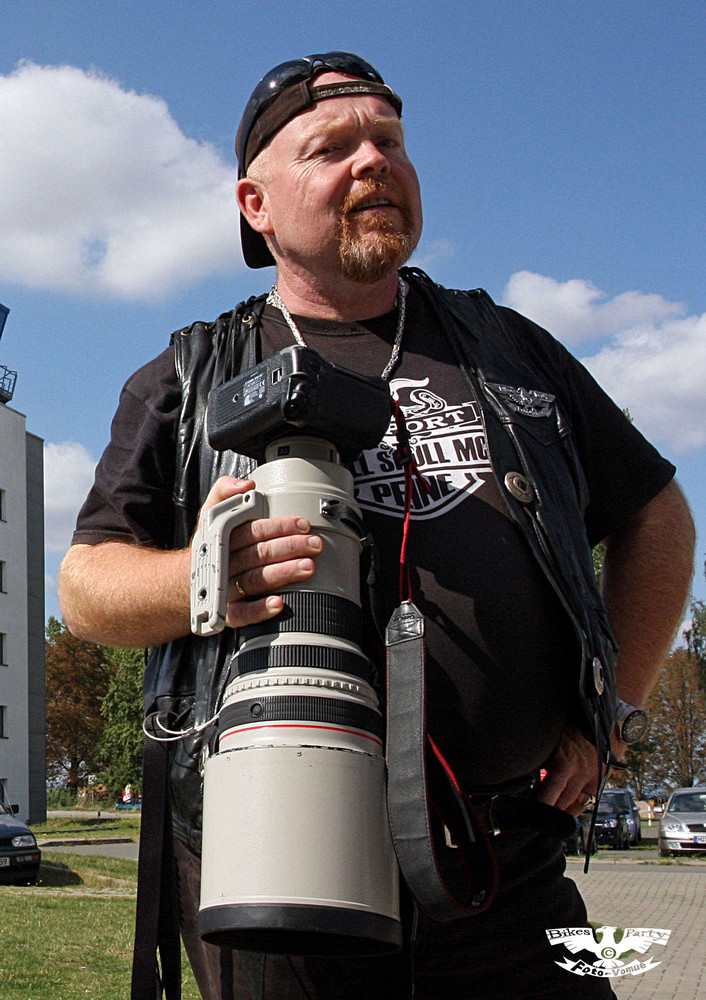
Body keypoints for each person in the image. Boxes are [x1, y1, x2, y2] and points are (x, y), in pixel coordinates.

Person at [59, 52, 695, 1000]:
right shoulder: (187, 379)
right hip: (275, 856)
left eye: (389, 142)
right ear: (256, 204)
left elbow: (657, 514)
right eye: (332, 148)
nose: (373, 162)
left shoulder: (509, 347)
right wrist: (203, 576)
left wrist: (608, 715)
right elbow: (83, 588)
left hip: (505, 860)